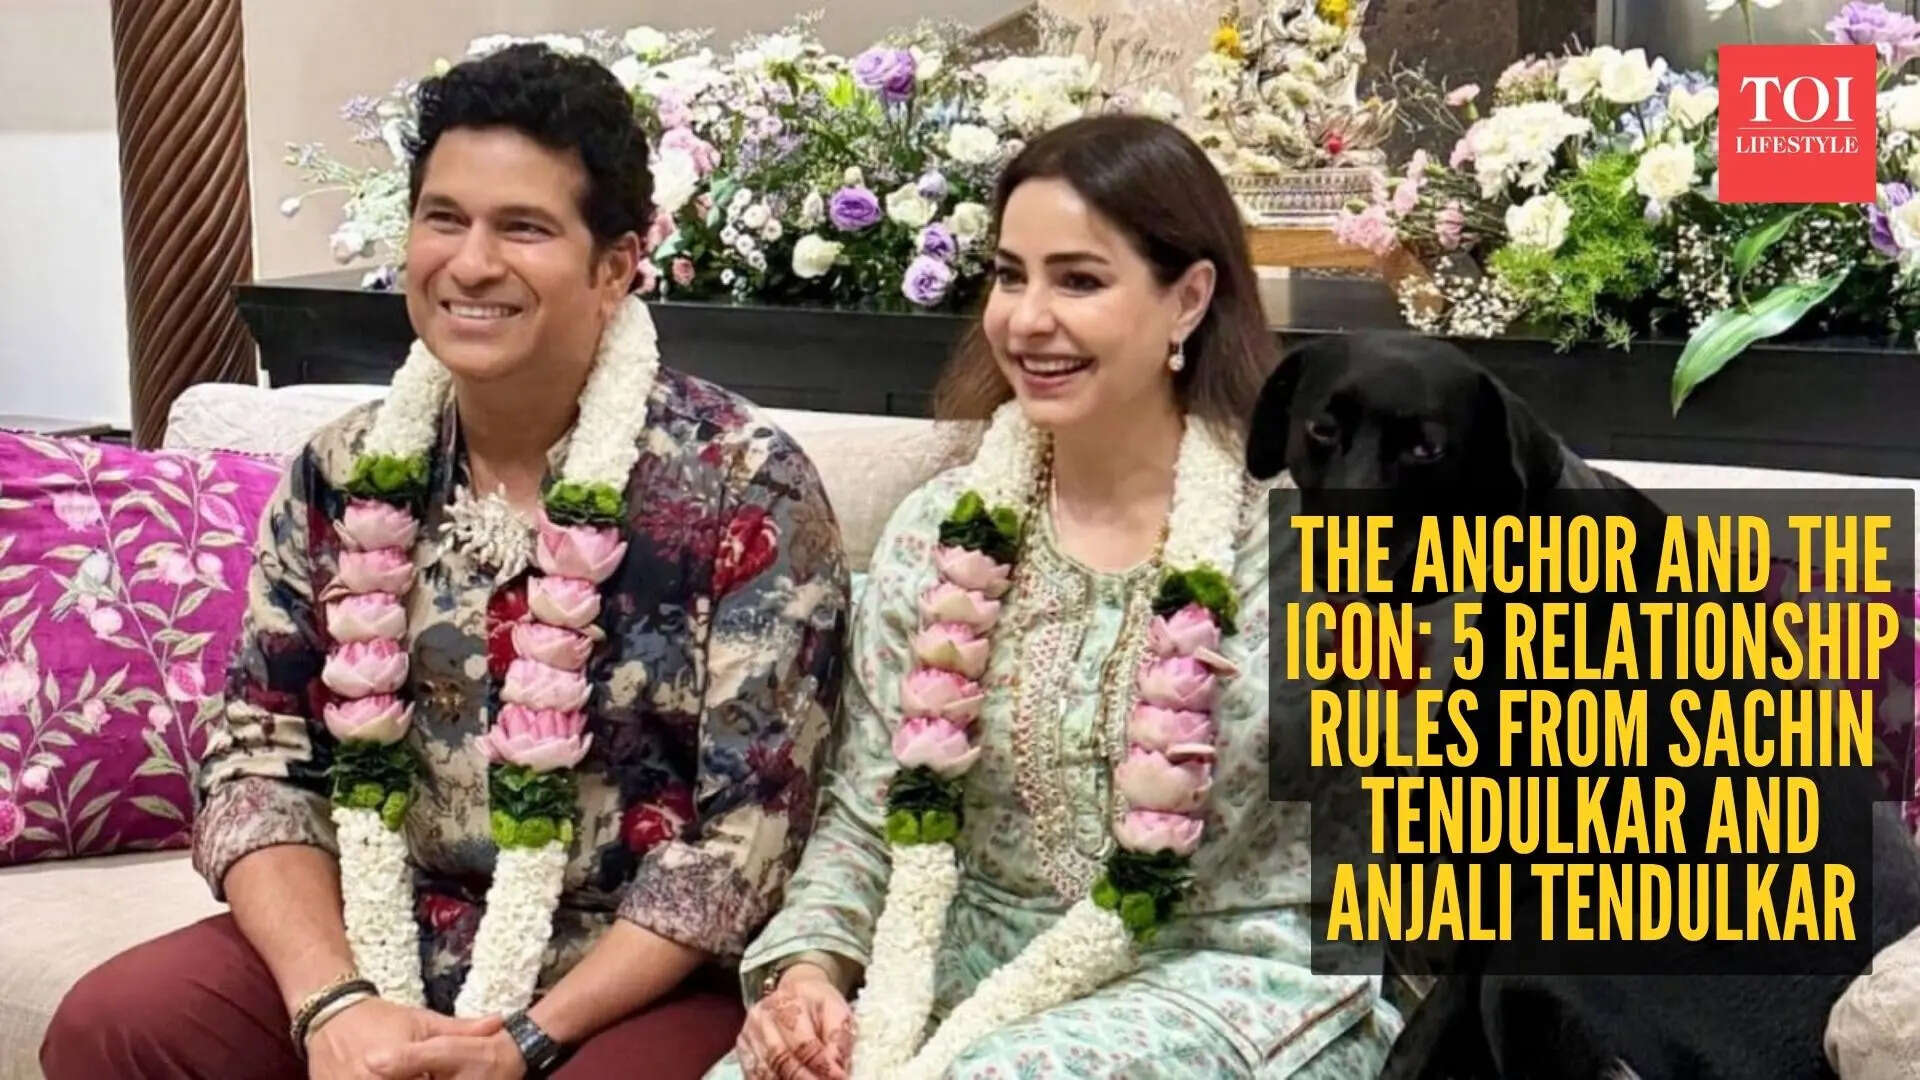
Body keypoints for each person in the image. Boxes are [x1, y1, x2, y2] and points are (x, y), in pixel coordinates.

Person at [41, 43, 847, 1080]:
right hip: (378, 931)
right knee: (118, 1025)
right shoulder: (344, 472)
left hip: (630, 973)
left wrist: (528, 1037)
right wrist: (333, 1001)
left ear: (615, 266)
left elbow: (748, 843)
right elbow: (259, 764)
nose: (470, 264)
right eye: (444, 218)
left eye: (523, 228)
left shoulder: (744, 488)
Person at [708, 114, 1402, 1080]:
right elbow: (866, 818)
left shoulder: (1308, 548)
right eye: (1010, 275)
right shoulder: (938, 529)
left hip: (1233, 983)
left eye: (1078, 280)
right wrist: (808, 978)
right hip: (955, 973)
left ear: (1189, 298)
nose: (1027, 320)